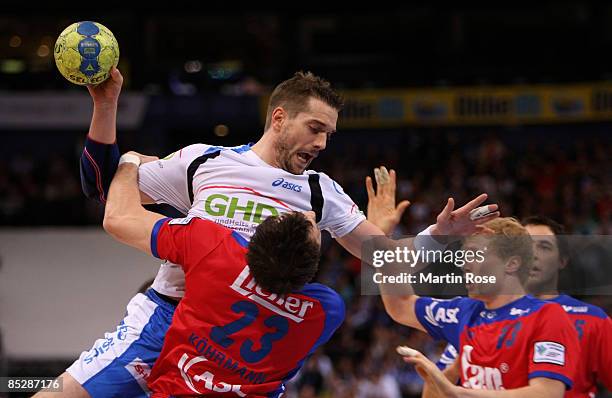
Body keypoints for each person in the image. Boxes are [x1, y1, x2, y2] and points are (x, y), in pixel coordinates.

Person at [47, 68, 498, 397]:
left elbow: (384, 259)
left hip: (245, 343)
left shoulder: (321, 192)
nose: (322, 143)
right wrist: (105, 107)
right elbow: (104, 187)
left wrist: (435, 236)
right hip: (167, 316)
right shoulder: (206, 161)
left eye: (329, 134)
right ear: (279, 118)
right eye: (315, 128)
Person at [365, 171, 580, 397]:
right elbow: (400, 305)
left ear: (511, 264)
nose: (465, 264)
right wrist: (381, 239)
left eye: (475, 254)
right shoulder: (462, 312)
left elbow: (547, 393)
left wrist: (457, 392)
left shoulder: (547, 317)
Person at [432, 216, 612, 397]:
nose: (532, 254)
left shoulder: (593, 320)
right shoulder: (477, 317)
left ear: (562, 260)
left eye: (544, 247)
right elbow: (436, 389)